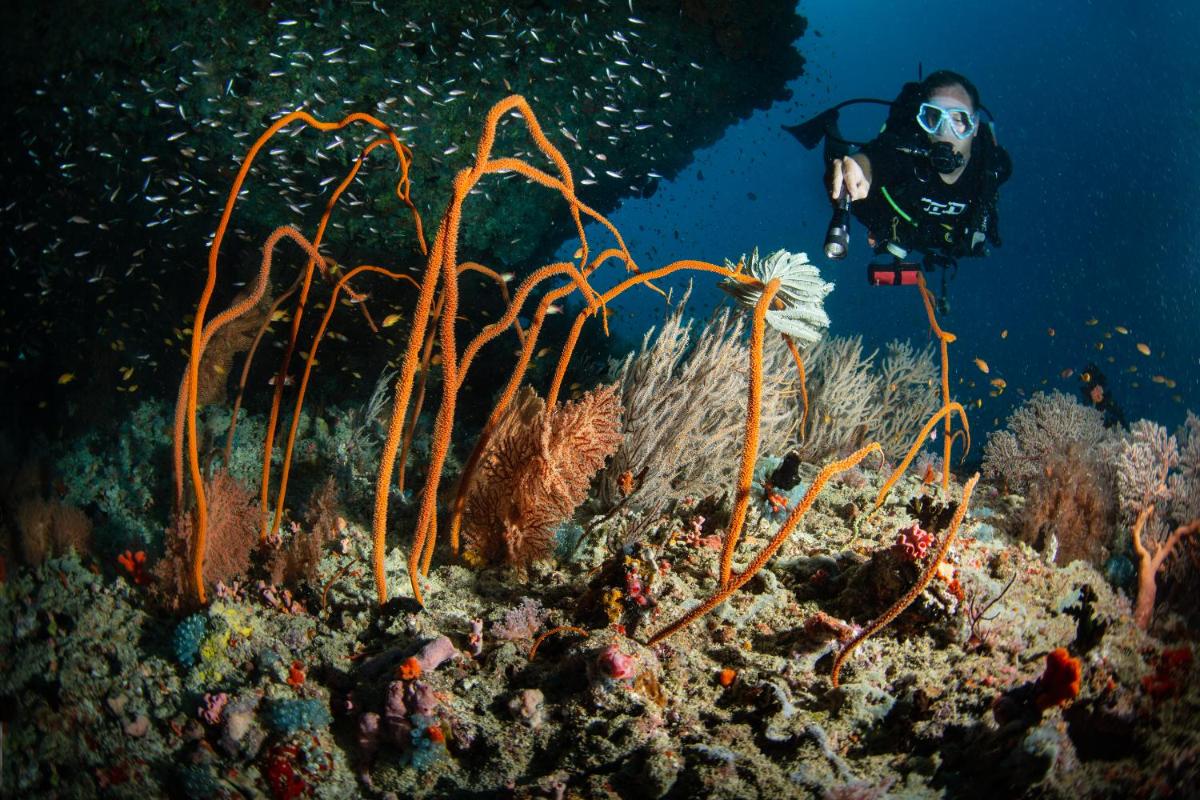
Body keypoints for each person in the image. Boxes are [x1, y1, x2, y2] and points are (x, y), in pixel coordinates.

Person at [793, 70, 1011, 304]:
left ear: (975, 125)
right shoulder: (906, 154)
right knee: (840, 183)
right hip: (892, 215)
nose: (945, 131)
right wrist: (859, 167)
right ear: (923, 120)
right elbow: (879, 159)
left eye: (958, 119)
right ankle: (830, 129)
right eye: (934, 117)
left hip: (938, 234)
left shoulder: (994, 166)